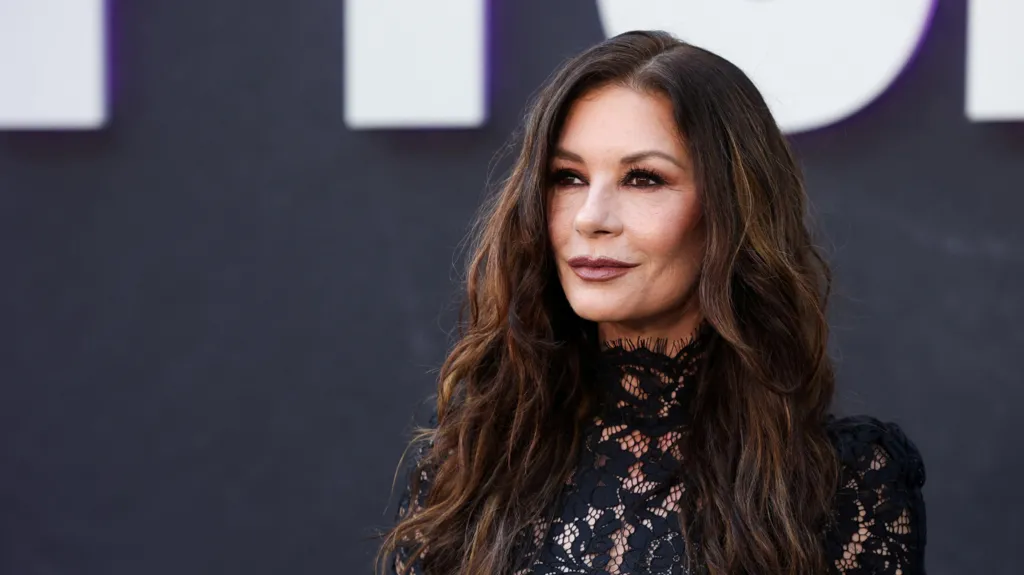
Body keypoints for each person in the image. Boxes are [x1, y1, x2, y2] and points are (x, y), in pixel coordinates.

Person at [377, 30, 926, 575]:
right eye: (567, 177)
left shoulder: (844, 483)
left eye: (643, 179)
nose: (591, 217)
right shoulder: (469, 459)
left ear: (729, 211)